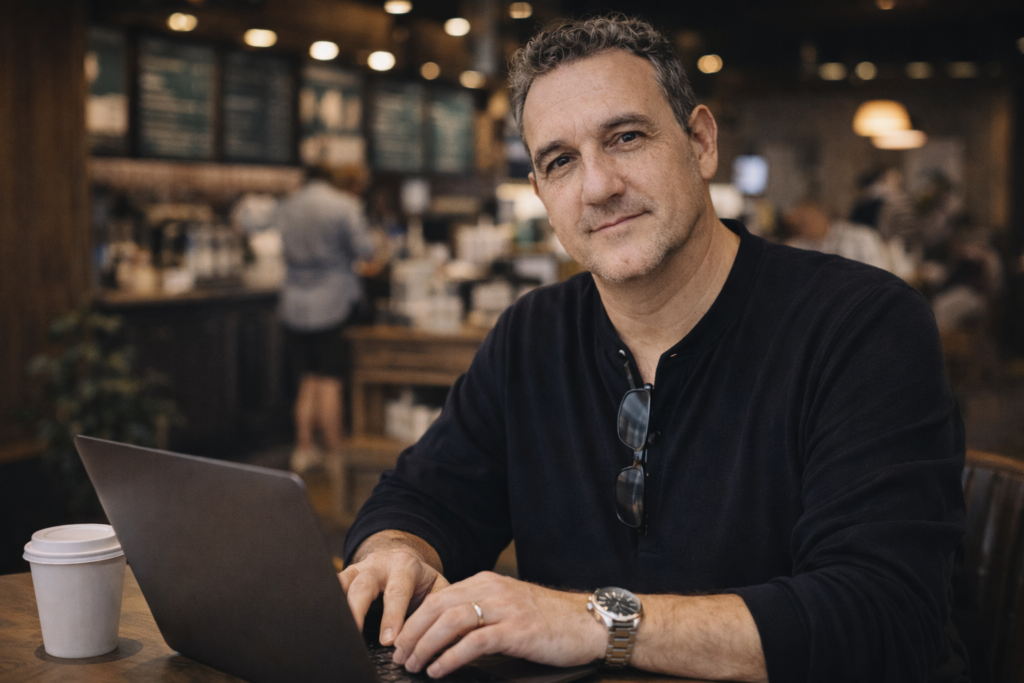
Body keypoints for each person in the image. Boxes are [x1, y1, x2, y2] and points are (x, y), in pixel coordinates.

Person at [341, 15, 971, 683]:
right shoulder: (533, 336)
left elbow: (881, 618)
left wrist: (591, 621)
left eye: (627, 138)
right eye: (560, 162)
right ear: (542, 196)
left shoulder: (861, 325)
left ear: (700, 142)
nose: (598, 185)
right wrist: (395, 550)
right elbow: (422, 497)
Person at [274, 163, 374, 473]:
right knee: (330, 380)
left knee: (307, 378)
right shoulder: (344, 205)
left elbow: (248, 222)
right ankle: (335, 455)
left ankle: (303, 449)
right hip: (333, 302)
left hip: (294, 303)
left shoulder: (286, 205)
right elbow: (367, 251)